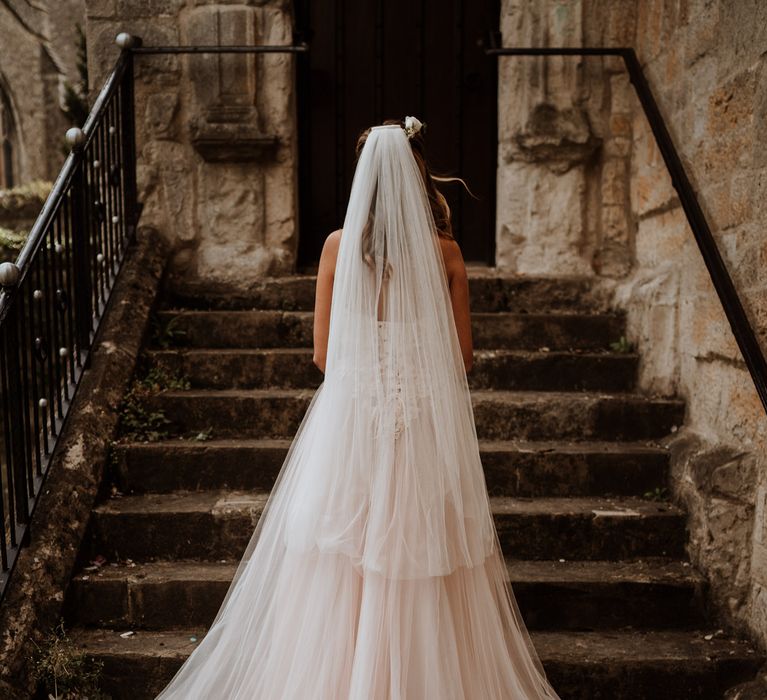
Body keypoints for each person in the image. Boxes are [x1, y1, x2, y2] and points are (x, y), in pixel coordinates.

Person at [154, 117, 561, 699]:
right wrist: (412, 372)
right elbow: (463, 358)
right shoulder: (445, 253)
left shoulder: (337, 247)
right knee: (419, 550)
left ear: (365, 179)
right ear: (418, 173)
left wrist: (374, 372)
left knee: (338, 553)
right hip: (419, 423)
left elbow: (323, 355)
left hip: (352, 420)